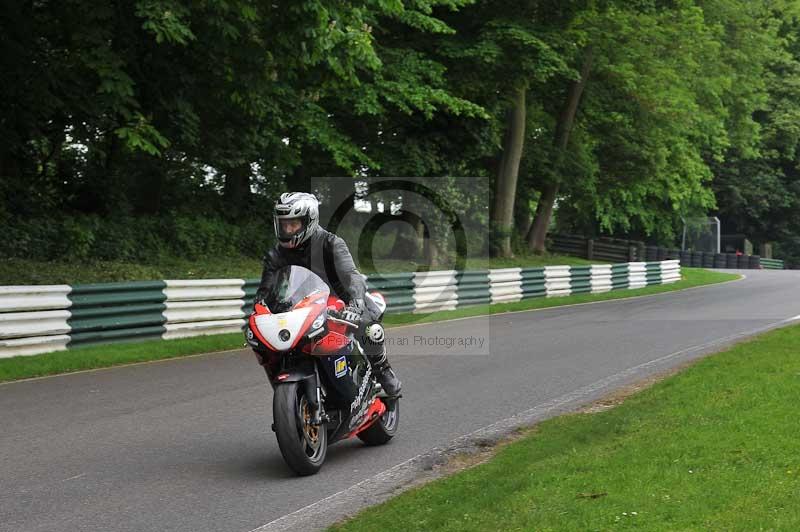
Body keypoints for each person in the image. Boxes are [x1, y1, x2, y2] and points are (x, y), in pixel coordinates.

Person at [253, 192, 402, 396]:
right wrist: (260, 310)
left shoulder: (331, 243)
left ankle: (382, 369)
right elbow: (265, 290)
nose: (287, 229)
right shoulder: (276, 254)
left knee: (370, 329)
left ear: (309, 221)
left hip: (341, 299)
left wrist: (356, 303)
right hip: (301, 305)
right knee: (268, 345)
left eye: (293, 224)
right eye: (283, 224)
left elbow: (352, 276)